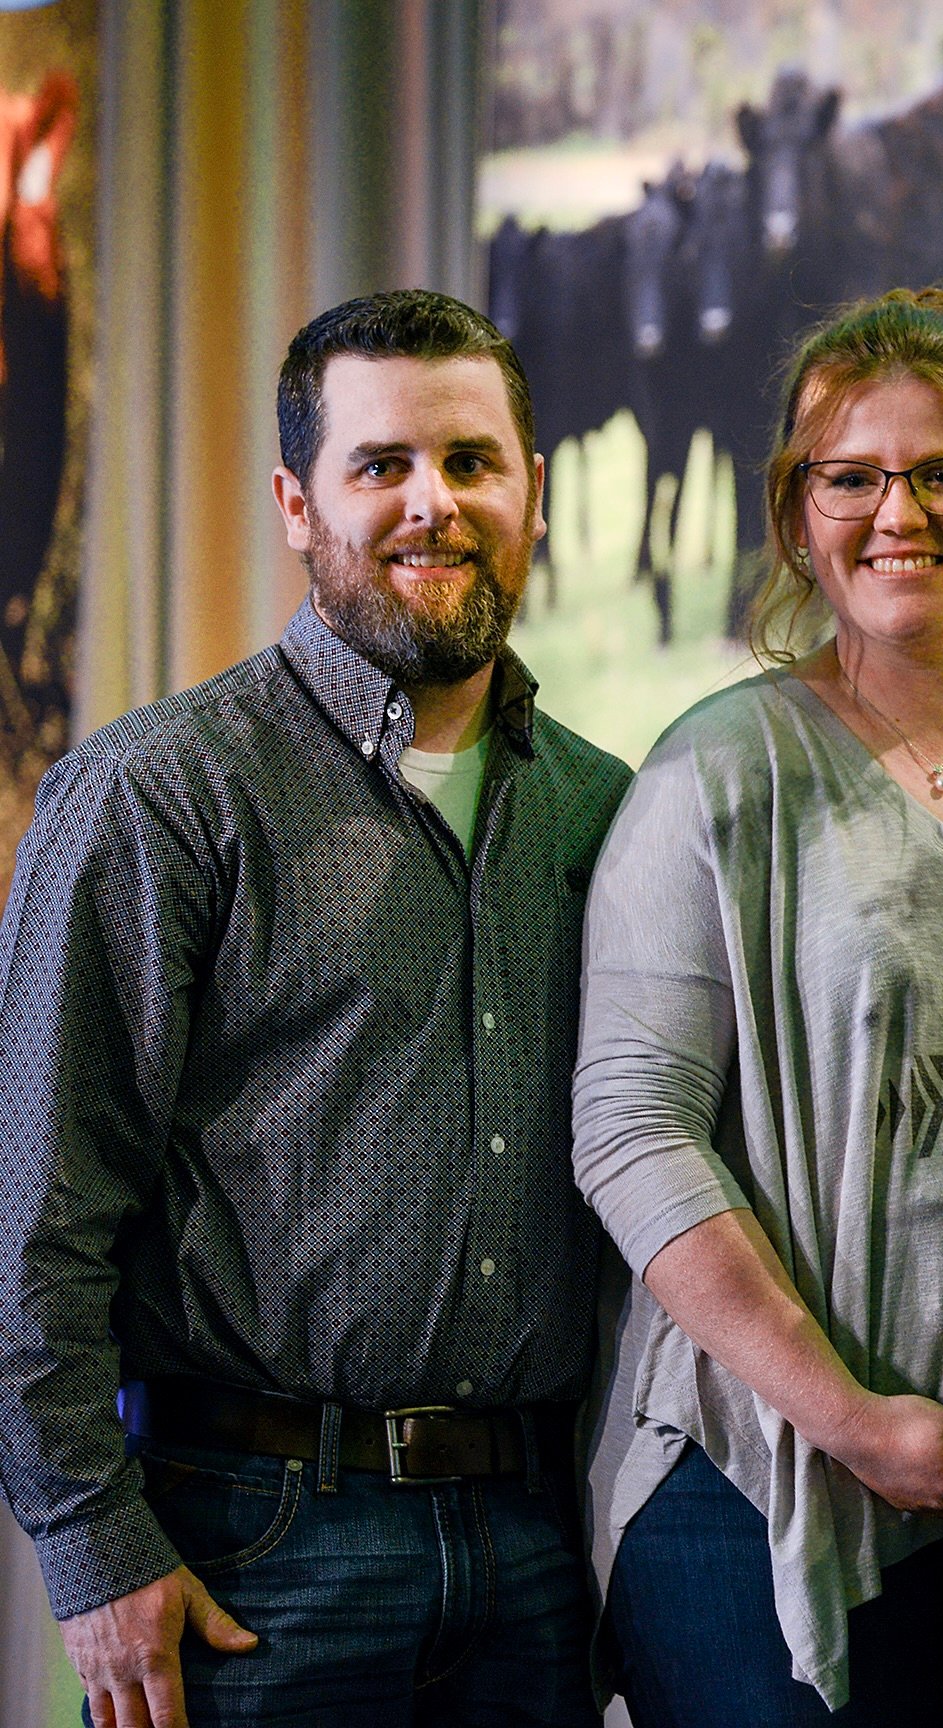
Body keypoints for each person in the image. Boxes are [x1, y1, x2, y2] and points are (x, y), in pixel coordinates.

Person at [0, 289, 630, 1728]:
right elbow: (35, 1207)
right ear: (298, 503)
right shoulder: (157, 795)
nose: (435, 505)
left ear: (534, 489)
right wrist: (94, 1553)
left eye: (474, 463)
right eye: (382, 466)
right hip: (255, 1542)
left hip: (538, 1544)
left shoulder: (607, 810)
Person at [570, 287, 943, 1727]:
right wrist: (846, 1419)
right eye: (849, 477)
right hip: (762, 1487)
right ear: (795, 516)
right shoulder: (714, 775)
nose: (895, 511)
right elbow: (630, 1131)